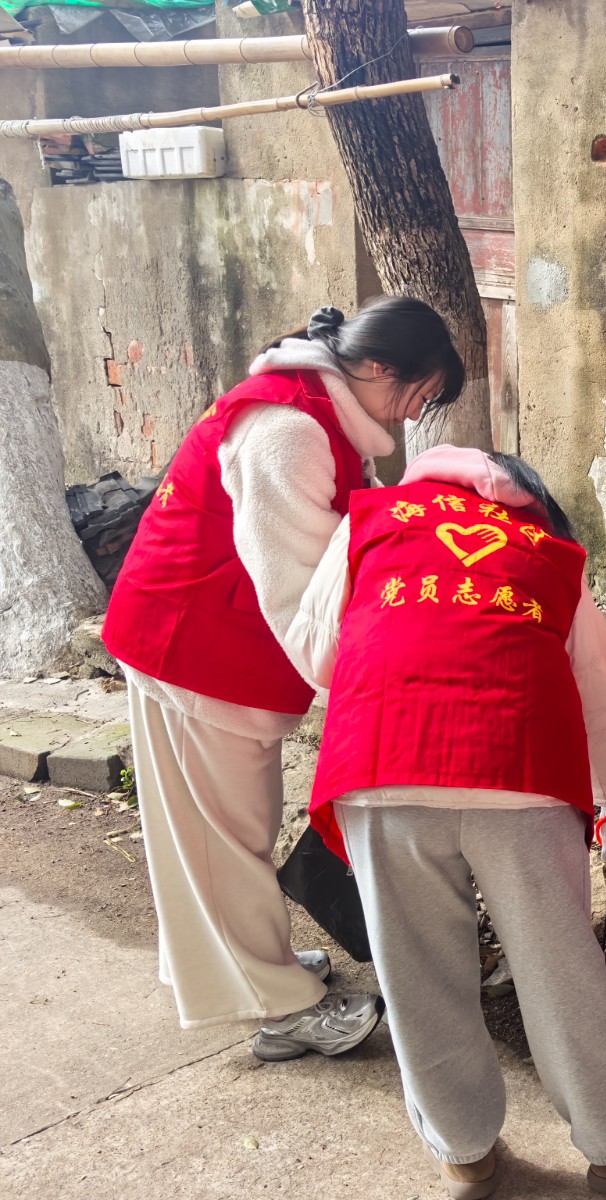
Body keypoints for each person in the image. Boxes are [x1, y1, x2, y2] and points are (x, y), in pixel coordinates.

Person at [283, 445, 606, 1200]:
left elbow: (315, 651)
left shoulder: (369, 520)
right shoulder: (550, 550)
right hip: (517, 769)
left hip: (380, 762)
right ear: (527, 498)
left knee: (416, 970)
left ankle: (462, 1150)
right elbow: (595, 690)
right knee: (559, 965)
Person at [100, 298, 464, 1058]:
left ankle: (248, 965)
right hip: (192, 645)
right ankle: (280, 1006)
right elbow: (299, 590)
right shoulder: (290, 431)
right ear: (372, 367)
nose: (412, 415)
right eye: (415, 394)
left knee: (234, 824)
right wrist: (370, 693)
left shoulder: (315, 411)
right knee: (222, 835)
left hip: (215, 641)